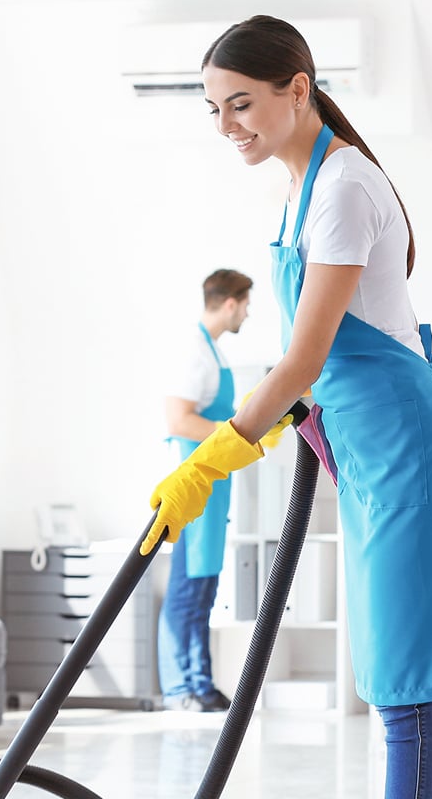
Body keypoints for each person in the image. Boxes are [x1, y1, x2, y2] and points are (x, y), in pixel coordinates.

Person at [139, 15, 432, 799]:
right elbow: (317, 364)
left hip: (411, 449)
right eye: (215, 109)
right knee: (407, 679)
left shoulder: (343, 184)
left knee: (401, 692)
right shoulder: (301, 190)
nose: (227, 125)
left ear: (297, 89)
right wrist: (302, 419)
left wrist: (214, 456)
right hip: (370, 451)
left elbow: (305, 358)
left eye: (241, 104)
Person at [156, 268, 253, 712]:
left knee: (204, 587)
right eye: (246, 304)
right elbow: (178, 420)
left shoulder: (213, 352)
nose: (247, 313)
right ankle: (180, 688)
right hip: (193, 481)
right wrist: (231, 434)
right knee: (186, 586)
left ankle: (200, 682)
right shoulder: (193, 351)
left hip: (214, 485)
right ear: (230, 302)